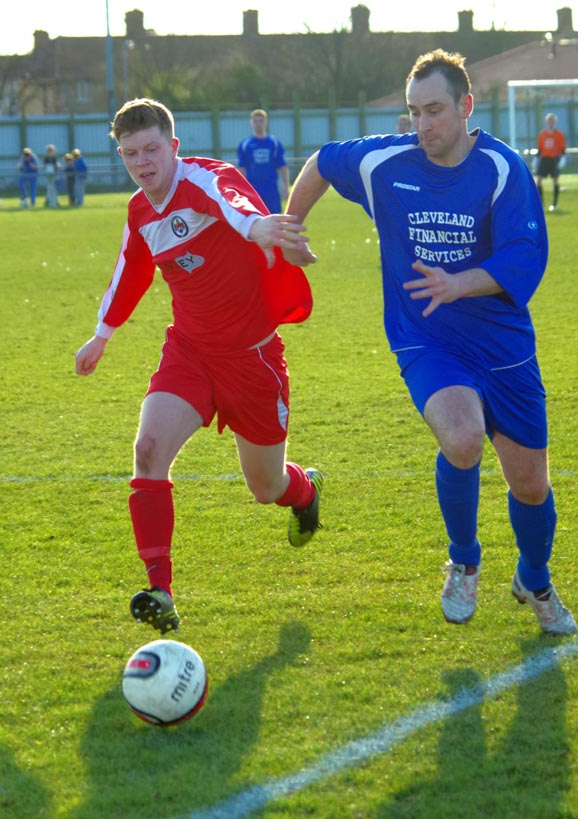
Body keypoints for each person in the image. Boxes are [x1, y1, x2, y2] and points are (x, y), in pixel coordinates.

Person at [284, 49, 575, 636]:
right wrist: (291, 227)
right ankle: (464, 562)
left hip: (504, 346)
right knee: (462, 438)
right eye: (415, 112)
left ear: (466, 106)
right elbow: (323, 161)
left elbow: (524, 254)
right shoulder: (386, 163)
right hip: (427, 340)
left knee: (530, 483)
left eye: (434, 110)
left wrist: (458, 283)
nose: (422, 124)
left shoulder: (501, 168)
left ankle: (534, 577)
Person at [75, 98, 323, 635]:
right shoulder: (140, 211)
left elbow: (232, 203)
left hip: (252, 359)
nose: (143, 163)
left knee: (266, 486)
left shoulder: (204, 180)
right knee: (147, 450)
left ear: (174, 147)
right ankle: (160, 590)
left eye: (151, 150)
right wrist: (101, 335)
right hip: (188, 352)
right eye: (130, 154)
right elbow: (131, 270)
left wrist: (257, 228)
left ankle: (305, 491)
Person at [237, 109, 289, 213]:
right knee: (255, 219)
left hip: (271, 190)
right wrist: (240, 189)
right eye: (255, 121)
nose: (258, 124)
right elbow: (241, 169)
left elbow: (283, 166)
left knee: (274, 218)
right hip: (253, 191)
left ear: (266, 122)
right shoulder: (245, 144)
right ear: (251, 123)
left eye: (261, 120)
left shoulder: (274, 143)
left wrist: (286, 187)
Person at [536, 112, 566, 212]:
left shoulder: (559, 134)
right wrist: (536, 159)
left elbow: (562, 148)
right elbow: (540, 148)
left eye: (552, 120)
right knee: (538, 180)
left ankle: (554, 204)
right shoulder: (542, 134)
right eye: (549, 120)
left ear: (555, 122)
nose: (551, 122)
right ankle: (541, 202)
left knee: (555, 180)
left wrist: (563, 158)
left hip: (554, 159)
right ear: (546, 121)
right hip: (544, 159)